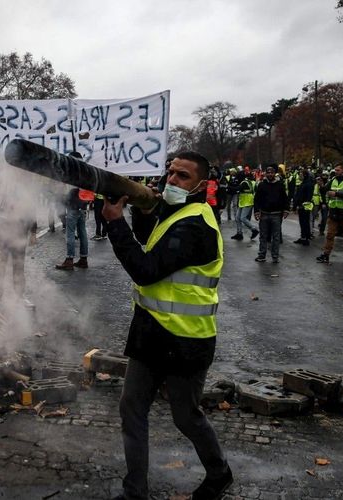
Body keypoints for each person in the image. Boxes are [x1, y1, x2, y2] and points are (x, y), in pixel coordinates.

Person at [102, 151, 231, 500]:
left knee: (186, 417)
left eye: (182, 176)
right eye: (170, 173)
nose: (171, 180)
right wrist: (142, 208)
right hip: (151, 335)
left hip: (187, 342)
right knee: (131, 408)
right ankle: (135, 491)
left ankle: (219, 473)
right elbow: (151, 234)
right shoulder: (177, 214)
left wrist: (115, 223)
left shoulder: (196, 224)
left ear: (202, 185)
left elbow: (146, 269)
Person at [0, 129, 37, 300]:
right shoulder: (5, 172)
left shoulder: (27, 179)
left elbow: (31, 205)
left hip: (19, 228)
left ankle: (19, 295)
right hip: (3, 225)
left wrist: (32, 232)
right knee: (1, 262)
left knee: (18, 264)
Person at [315, 163, 343, 264]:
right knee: (330, 234)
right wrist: (321, 185)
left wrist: (336, 194)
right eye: (335, 170)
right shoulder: (334, 179)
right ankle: (326, 255)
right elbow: (326, 189)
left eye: (338, 170)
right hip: (334, 211)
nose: (336, 172)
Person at [56, 152, 92, 270]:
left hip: (73, 206)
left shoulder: (72, 172)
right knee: (82, 233)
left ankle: (69, 259)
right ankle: (83, 259)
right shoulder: (86, 171)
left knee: (70, 233)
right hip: (83, 206)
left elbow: (67, 189)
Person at [253, 165, 289, 263]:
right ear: (265, 173)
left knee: (276, 237)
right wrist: (256, 211)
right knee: (263, 236)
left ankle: (275, 256)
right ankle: (262, 255)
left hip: (276, 215)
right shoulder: (261, 185)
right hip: (264, 214)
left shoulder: (280, 185)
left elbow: (285, 198)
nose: (269, 174)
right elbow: (257, 199)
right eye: (268, 172)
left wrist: (286, 209)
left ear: (274, 173)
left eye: (271, 172)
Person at [229, 172, 259, 241]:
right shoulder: (245, 181)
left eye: (237, 177)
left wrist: (227, 187)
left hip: (248, 202)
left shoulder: (244, 183)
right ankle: (239, 234)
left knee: (243, 218)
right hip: (243, 202)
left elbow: (237, 189)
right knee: (237, 218)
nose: (236, 179)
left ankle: (254, 229)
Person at [293, 167, 314, 245]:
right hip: (302, 205)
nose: (299, 176)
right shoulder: (304, 183)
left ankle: (306, 238)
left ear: (304, 175)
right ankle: (303, 237)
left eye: (300, 174)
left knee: (305, 222)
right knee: (302, 222)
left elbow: (307, 196)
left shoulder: (308, 184)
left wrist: (302, 205)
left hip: (305, 206)